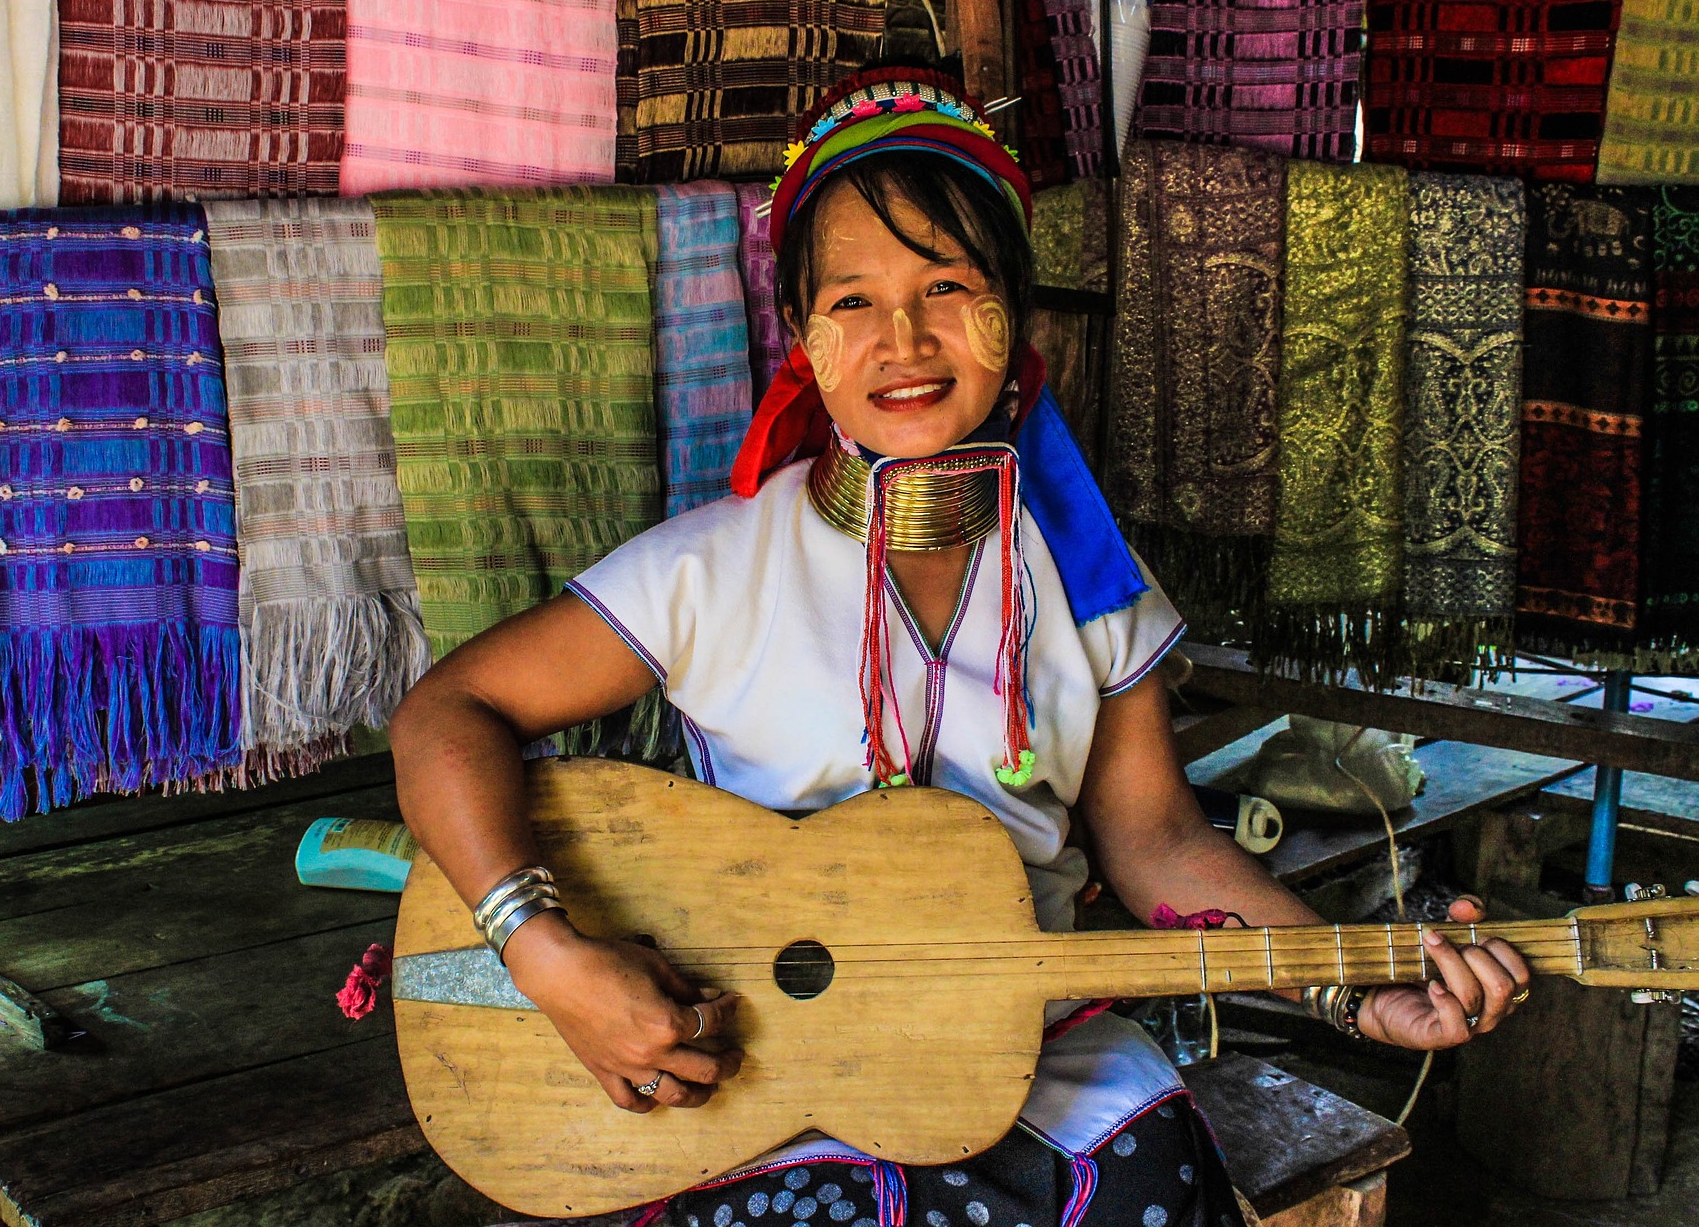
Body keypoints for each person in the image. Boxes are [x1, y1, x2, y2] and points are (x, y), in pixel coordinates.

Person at [388, 68, 1531, 1227]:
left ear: (1015, 313)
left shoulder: (1086, 586)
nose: (904, 339)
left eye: (948, 285)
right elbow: (444, 716)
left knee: (1146, 1191)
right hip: (761, 1067)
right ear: (799, 333)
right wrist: (543, 953)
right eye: (852, 302)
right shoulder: (709, 572)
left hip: (1026, 1057)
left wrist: (1353, 980)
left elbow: (1157, 840)